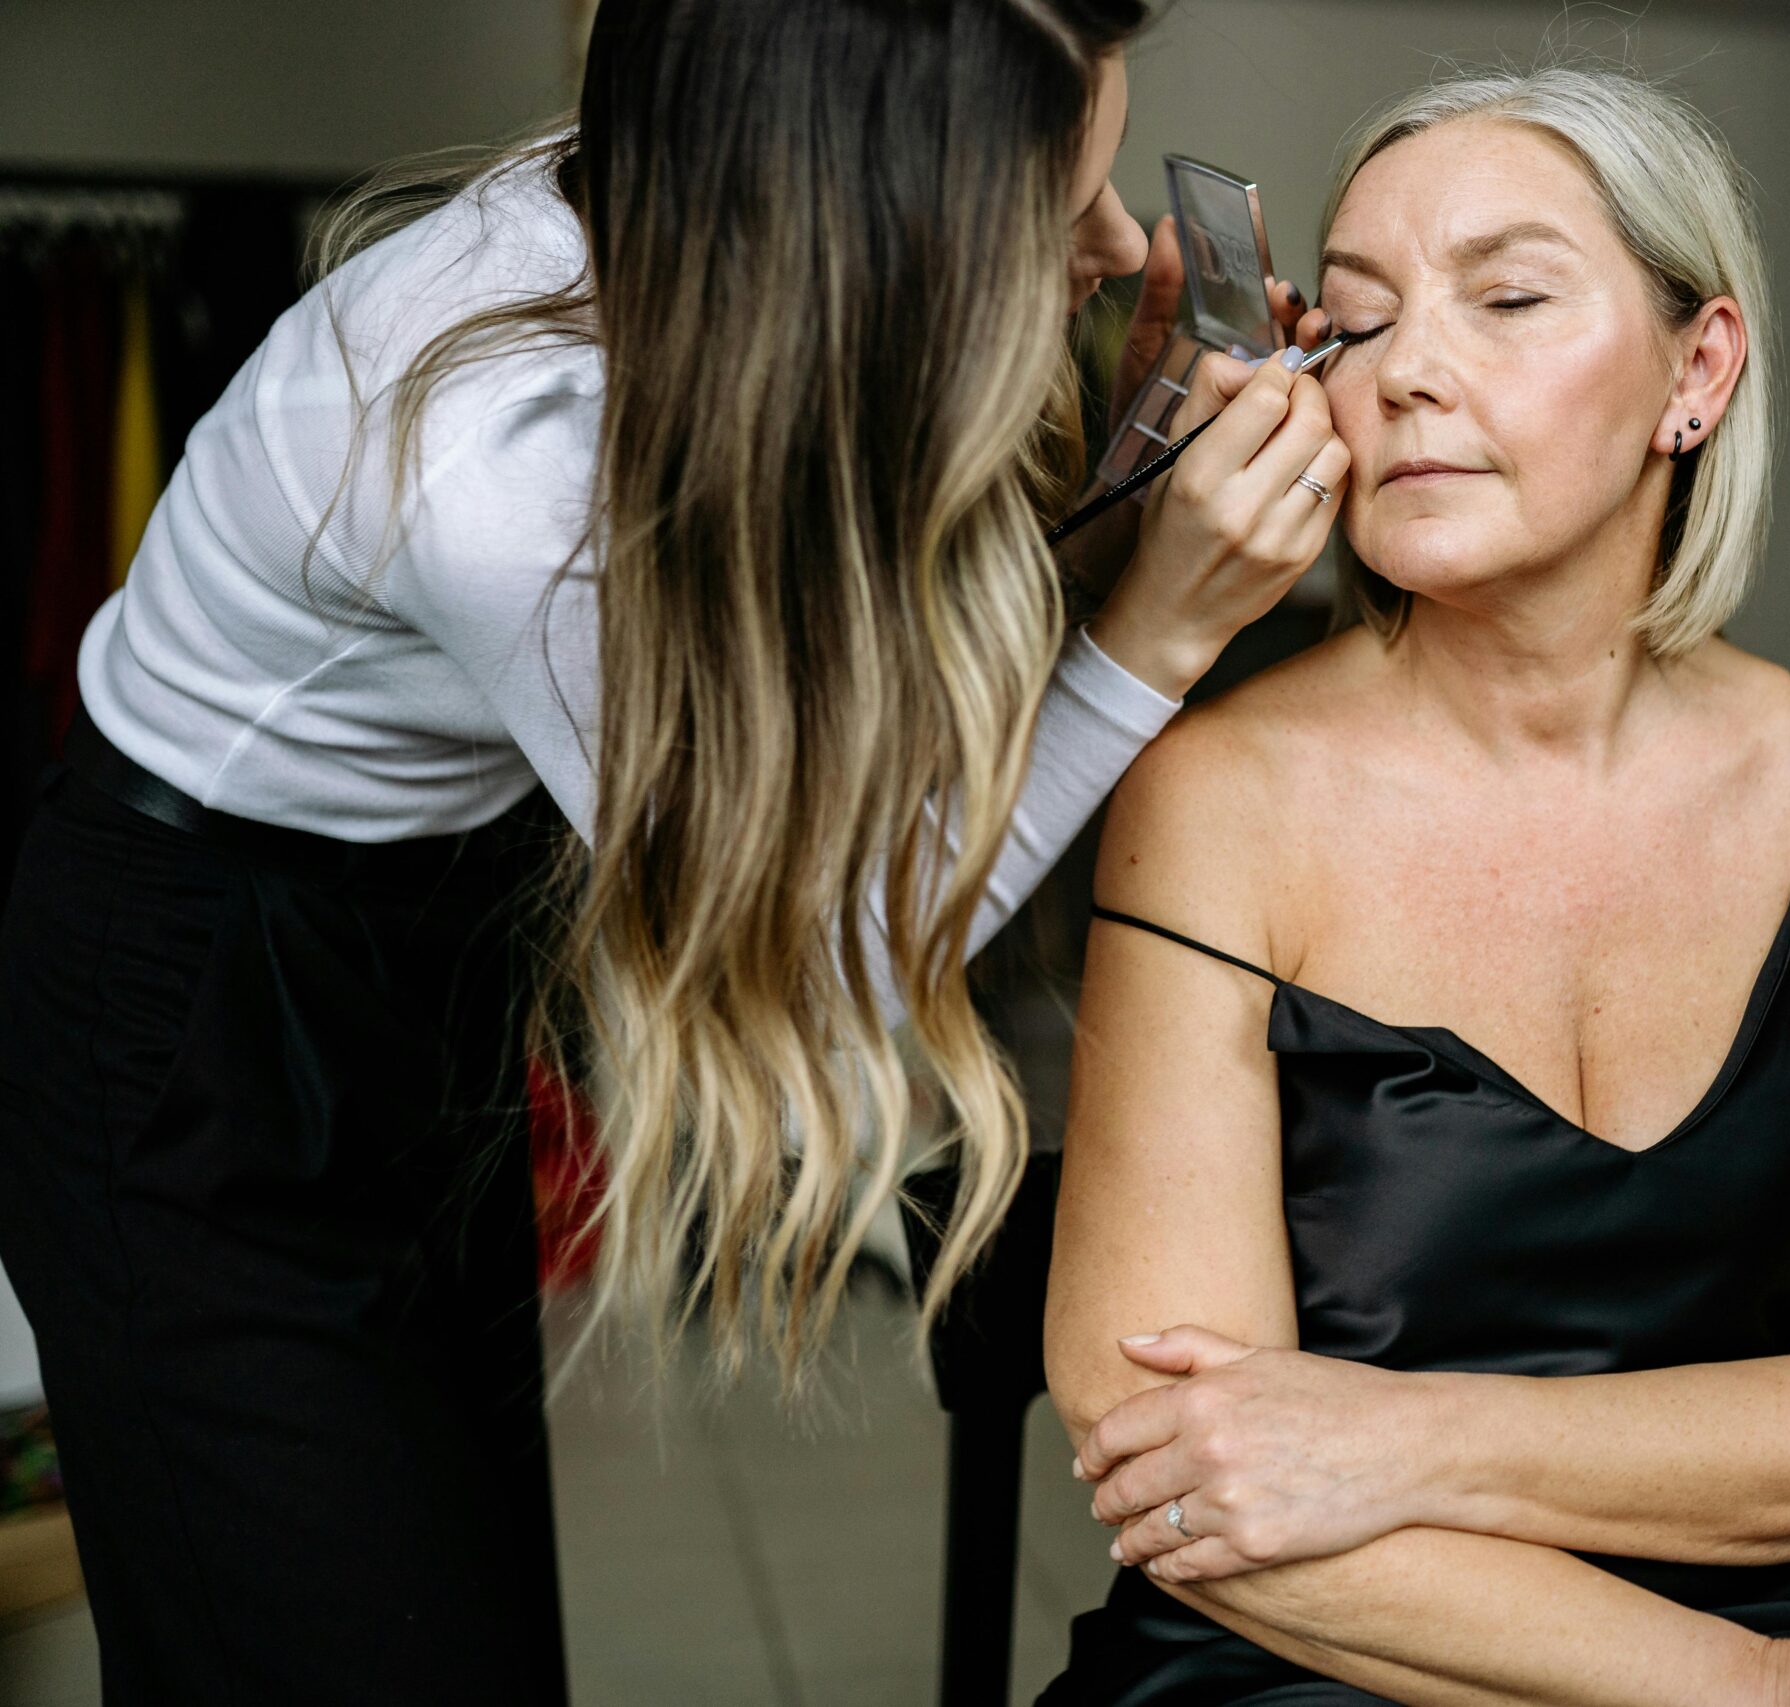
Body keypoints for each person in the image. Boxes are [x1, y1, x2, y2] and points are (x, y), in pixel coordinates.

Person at [0, 1, 1345, 1701]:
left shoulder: (706, 240)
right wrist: (1159, 631)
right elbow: (838, 955)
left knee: (455, 1594)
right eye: (1055, 205)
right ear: (863, 224)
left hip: (424, 925)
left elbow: (863, 737)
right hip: (188, 983)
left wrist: (1124, 492)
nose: (1118, 247)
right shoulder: (508, 462)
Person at [1041, 67, 1790, 1707]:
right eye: (1358, 320)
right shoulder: (1211, 800)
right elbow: (1180, 1473)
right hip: (1313, 1660)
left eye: (1510, 298)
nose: (1406, 371)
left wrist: (1402, 1438)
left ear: (1699, 370)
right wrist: (1772, 1694)